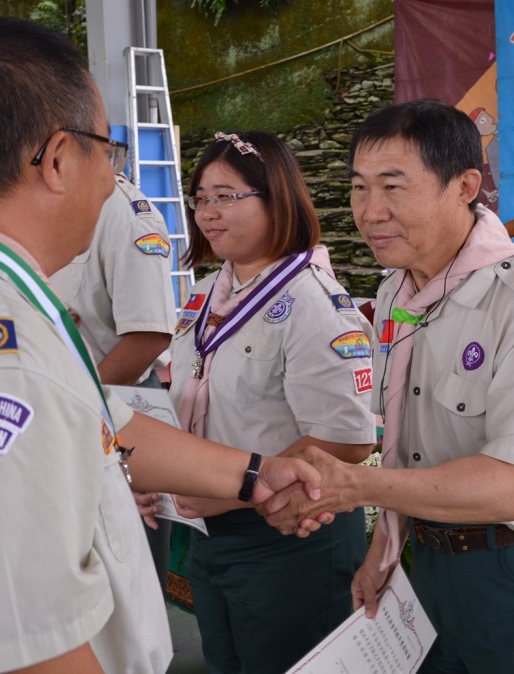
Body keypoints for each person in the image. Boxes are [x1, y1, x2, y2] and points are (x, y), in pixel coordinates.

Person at [0, 17, 321, 674]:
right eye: (105, 154)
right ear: (56, 160)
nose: (111, 179)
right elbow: (37, 654)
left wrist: (253, 475)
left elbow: (94, 422)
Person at [260, 99, 514, 674]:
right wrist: (385, 549)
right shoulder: (400, 293)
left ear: (464, 186)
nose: (370, 211)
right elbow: (408, 437)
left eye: (394, 187)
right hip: (426, 560)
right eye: (358, 189)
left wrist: (357, 486)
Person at [168, 130, 375, 673]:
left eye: (227, 196)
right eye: (201, 198)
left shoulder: (311, 300)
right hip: (211, 530)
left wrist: (231, 489)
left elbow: (348, 440)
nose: (208, 213)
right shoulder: (207, 292)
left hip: (288, 538)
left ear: (276, 198)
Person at [50, 175, 176, 590]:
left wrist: (73, 407)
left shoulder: (125, 214)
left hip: (115, 411)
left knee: (128, 580)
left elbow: (149, 335)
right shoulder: (34, 199)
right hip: (57, 415)